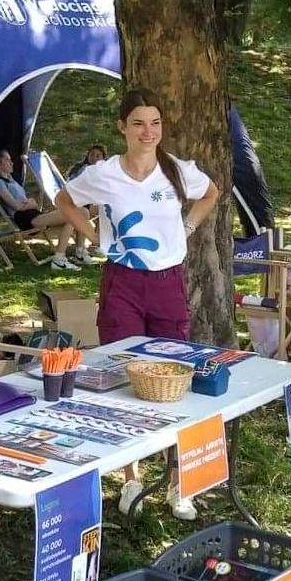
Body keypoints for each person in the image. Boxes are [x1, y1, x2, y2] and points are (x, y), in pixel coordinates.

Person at [54, 88, 222, 520]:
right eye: (138, 124)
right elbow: (64, 200)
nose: (148, 132)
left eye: (155, 123)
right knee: (123, 372)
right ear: (122, 127)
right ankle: (131, 478)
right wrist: (93, 236)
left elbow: (211, 192)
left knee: (173, 376)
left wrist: (188, 226)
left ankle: (177, 482)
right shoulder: (104, 173)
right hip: (122, 282)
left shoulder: (177, 171)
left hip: (168, 283)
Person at [0, 148, 92, 270]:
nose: (12, 163)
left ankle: (75, 254)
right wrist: (30, 203)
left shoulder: (11, 180)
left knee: (83, 212)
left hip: (34, 214)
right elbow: (17, 206)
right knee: (74, 215)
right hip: (26, 219)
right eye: (8, 160)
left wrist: (30, 203)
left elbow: (30, 203)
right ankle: (61, 259)